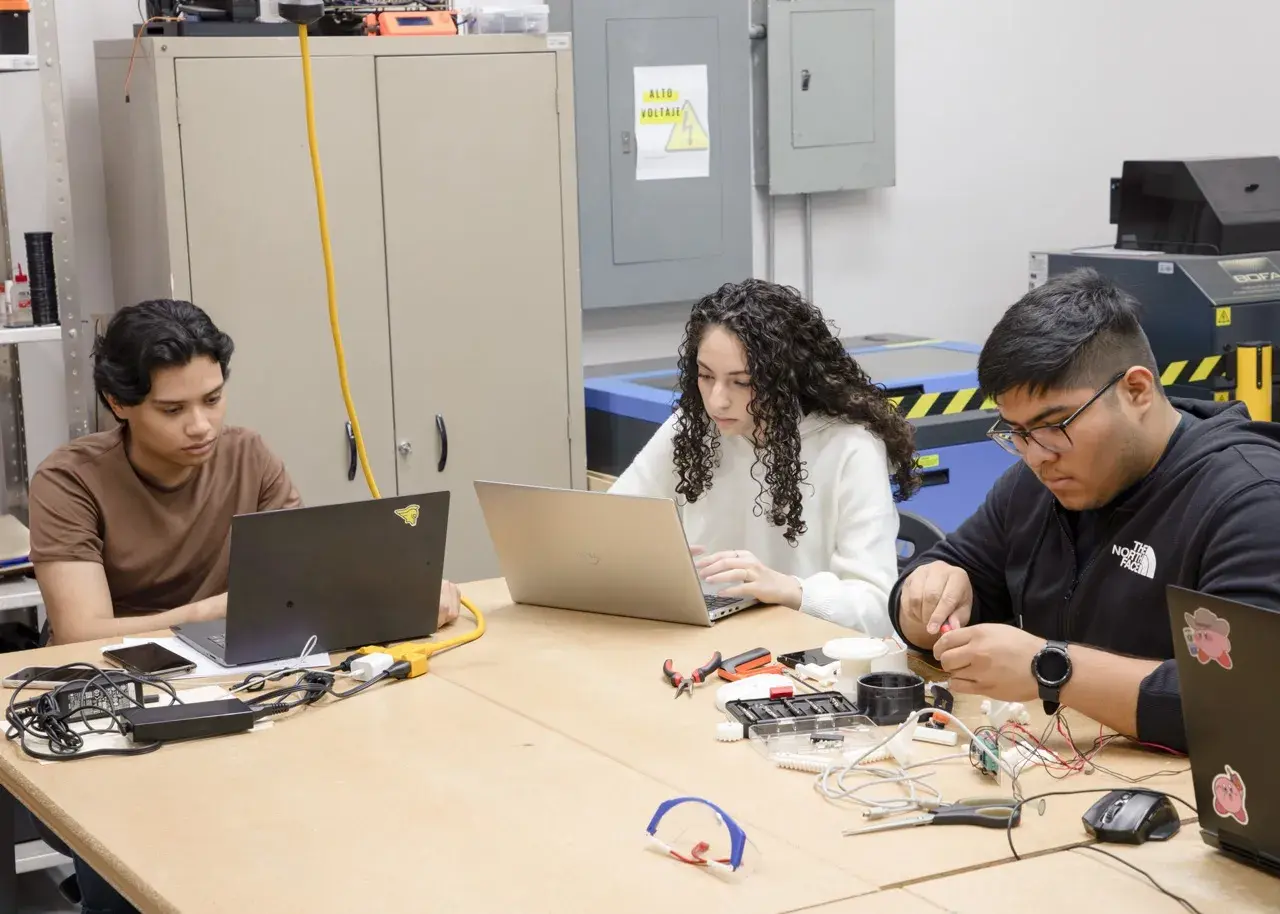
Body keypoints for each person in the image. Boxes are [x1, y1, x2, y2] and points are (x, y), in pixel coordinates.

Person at [27, 299, 461, 913]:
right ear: (119, 404)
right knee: (126, 868)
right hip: (112, 703)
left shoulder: (247, 455)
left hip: (229, 685)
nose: (201, 426)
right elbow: (81, 630)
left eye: (213, 399)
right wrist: (209, 613)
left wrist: (403, 592)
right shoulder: (70, 480)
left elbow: (311, 576)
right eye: (172, 409)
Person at [892, 268, 1280, 752]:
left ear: (1136, 391)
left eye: (1055, 425)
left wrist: (1050, 669)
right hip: (1061, 768)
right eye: (1017, 432)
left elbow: (1245, 702)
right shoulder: (1035, 485)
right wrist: (921, 600)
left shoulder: (1250, 501)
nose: (1036, 455)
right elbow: (953, 570)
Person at [609, 279, 919, 636]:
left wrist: (790, 589)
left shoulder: (851, 447)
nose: (717, 400)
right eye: (706, 376)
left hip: (808, 657)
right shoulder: (693, 427)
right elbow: (615, 523)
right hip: (705, 640)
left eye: (741, 382)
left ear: (784, 378)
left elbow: (876, 607)